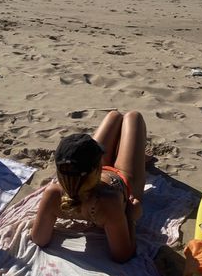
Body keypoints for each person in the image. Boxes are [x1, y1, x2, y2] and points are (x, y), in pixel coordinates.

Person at [31, 110, 147, 262]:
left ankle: (130, 153)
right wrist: (131, 217)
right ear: (98, 167)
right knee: (132, 116)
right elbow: (122, 255)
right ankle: (138, 157)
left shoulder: (53, 193)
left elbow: (40, 239)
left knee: (114, 116)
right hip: (124, 177)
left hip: (86, 176)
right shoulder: (108, 202)